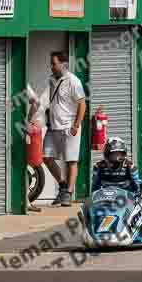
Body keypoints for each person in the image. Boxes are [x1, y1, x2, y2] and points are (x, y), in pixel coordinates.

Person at [29, 51, 86, 207]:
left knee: (71, 161)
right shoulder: (51, 81)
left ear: (63, 64)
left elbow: (82, 104)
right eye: (51, 63)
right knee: (46, 157)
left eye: (54, 63)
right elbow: (42, 101)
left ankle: (68, 192)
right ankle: (62, 186)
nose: (51, 66)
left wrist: (76, 125)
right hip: (53, 127)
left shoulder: (74, 81)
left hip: (69, 127)